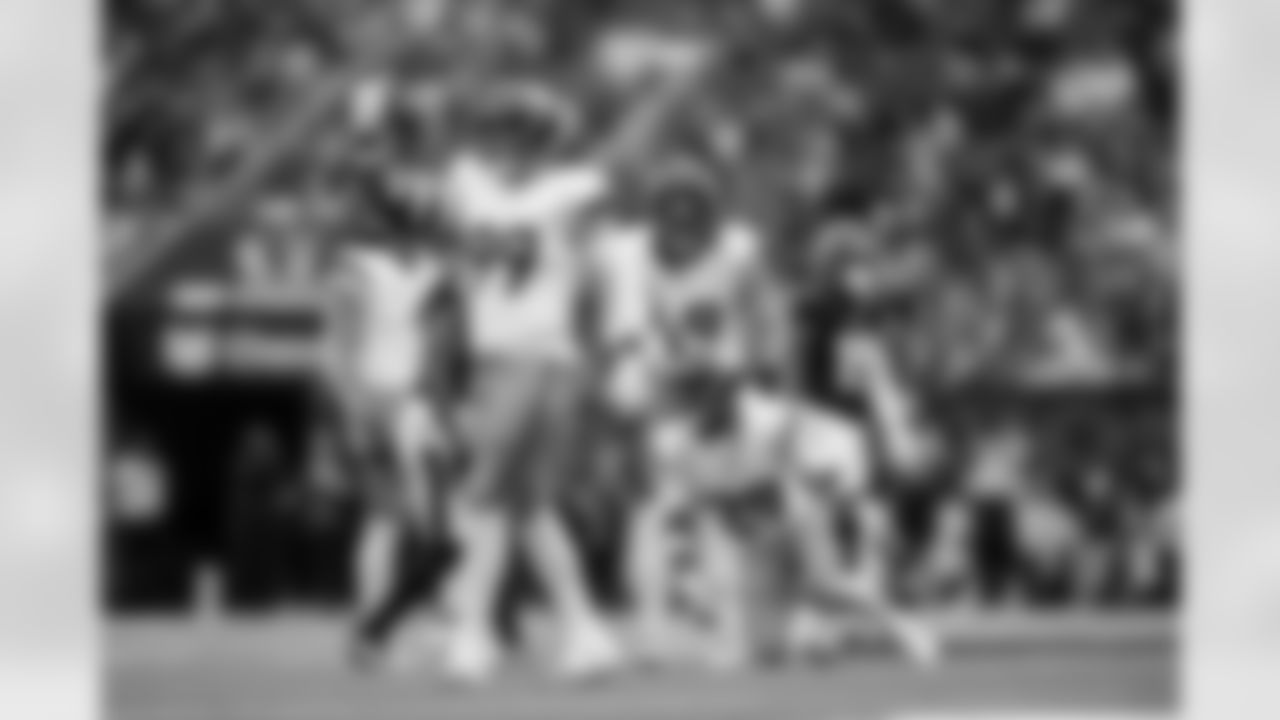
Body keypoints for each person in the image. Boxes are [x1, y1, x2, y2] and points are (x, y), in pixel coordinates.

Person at [629, 370, 942, 671]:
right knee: (764, 653)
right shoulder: (678, 447)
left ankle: (904, 623)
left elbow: (790, 479)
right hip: (753, 540)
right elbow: (689, 511)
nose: (722, 409)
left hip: (796, 519)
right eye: (710, 402)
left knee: (826, 586)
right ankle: (813, 634)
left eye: (726, 402)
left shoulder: (765, 426)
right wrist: (686, 570)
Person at [318, 206, 460, 671]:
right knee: (429, 529)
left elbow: (336, 354)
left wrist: (350, 411)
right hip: (400, 404)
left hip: (377, 400)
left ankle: (376, 627)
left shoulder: (356, 272)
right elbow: (344, 349)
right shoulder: (403, 276)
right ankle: (408, 627)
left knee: (385, 521)